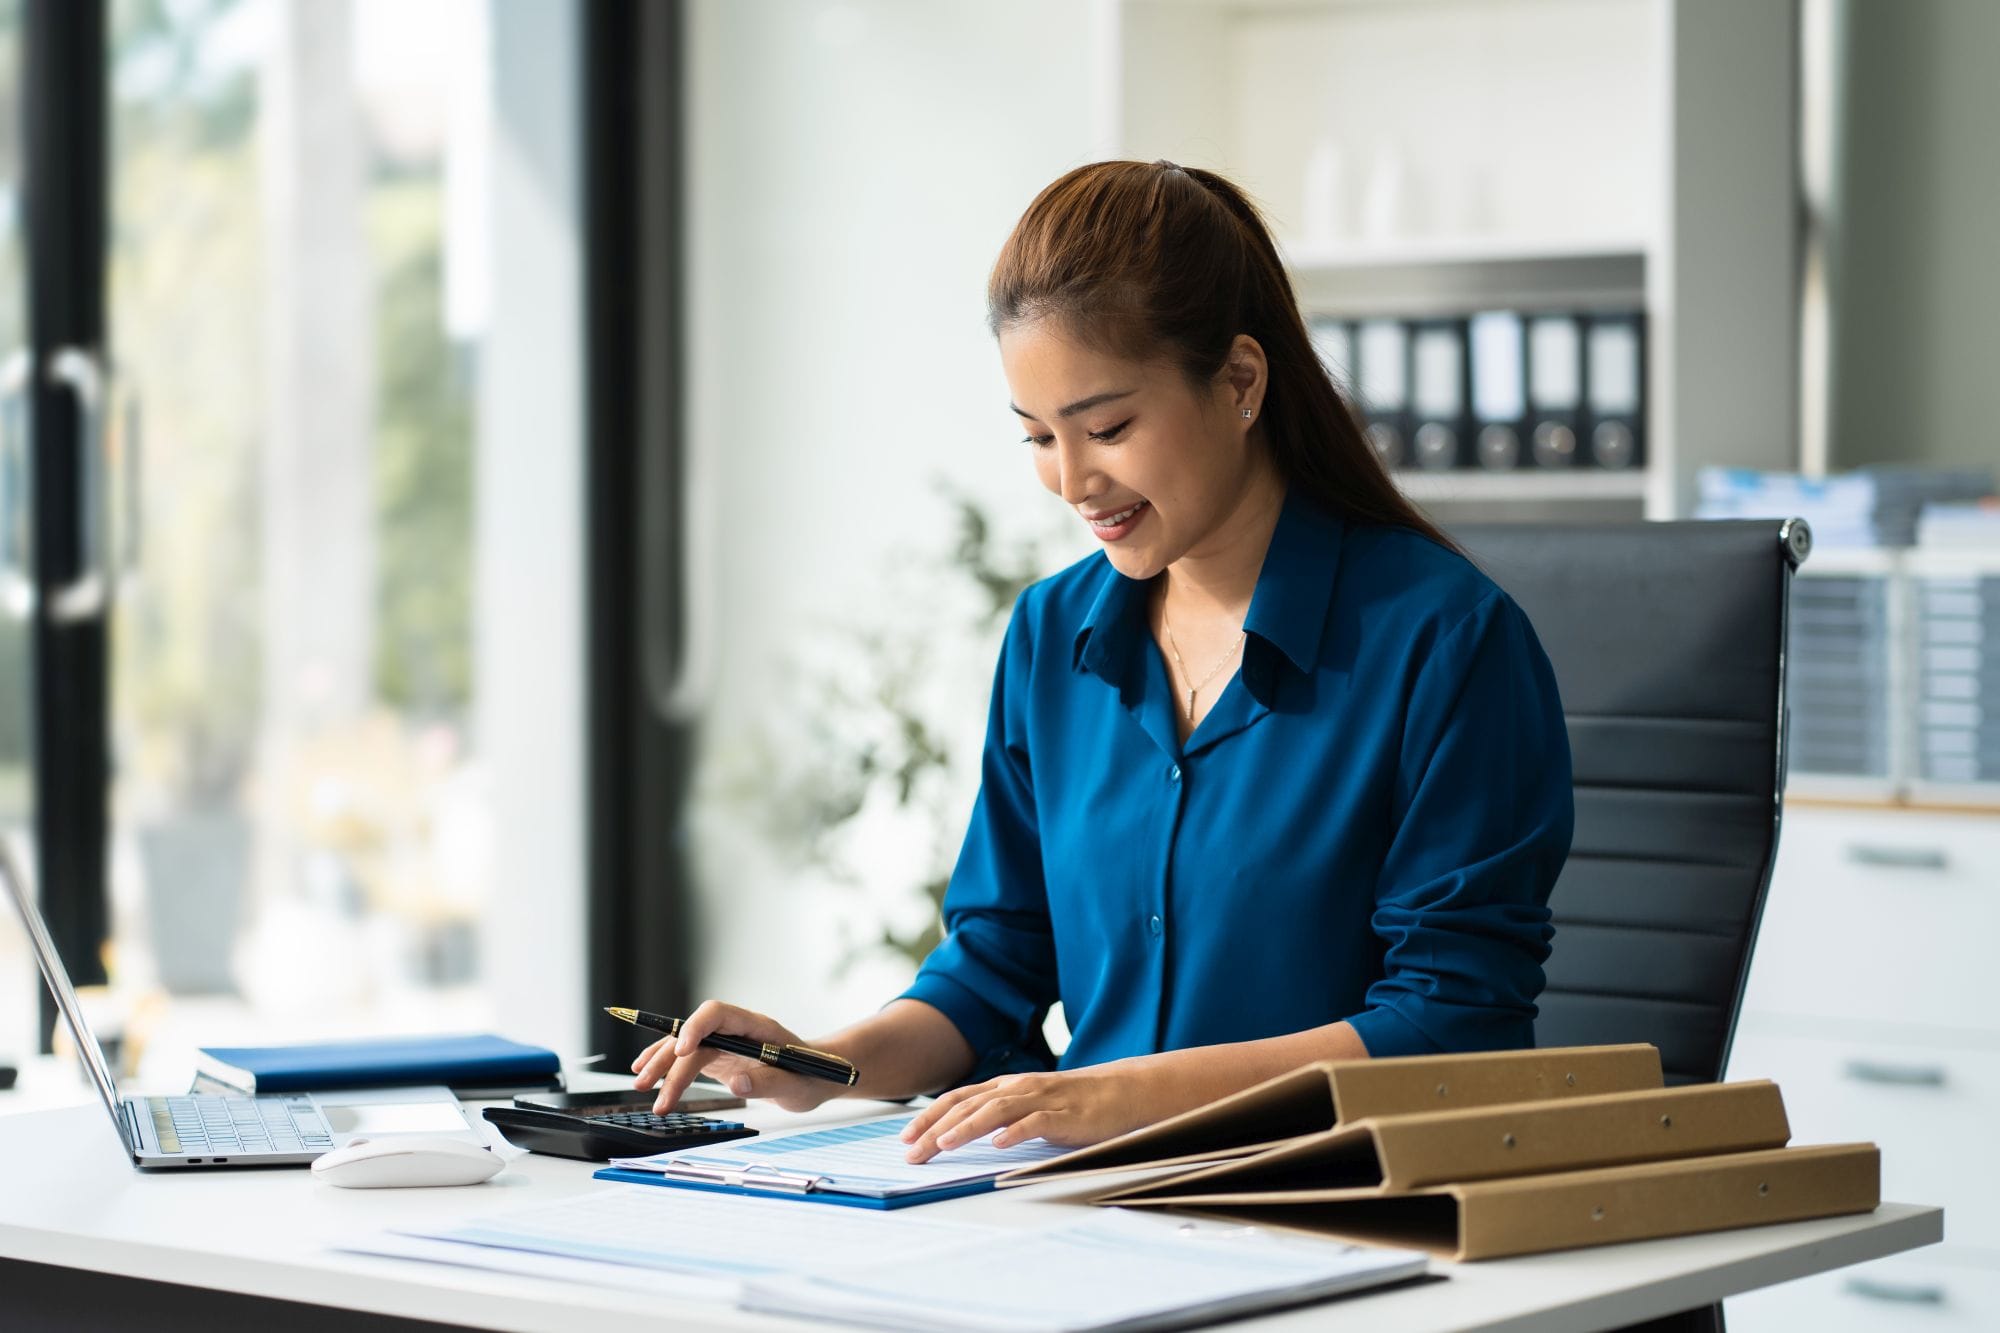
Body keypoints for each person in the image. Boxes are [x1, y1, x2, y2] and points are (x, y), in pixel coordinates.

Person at [635, 160, 1573, 1164]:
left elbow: (1450, 1025)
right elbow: (995, 965)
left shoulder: (1445, 640)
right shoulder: (1051, 635)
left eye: (1107, 427)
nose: (1072, 481)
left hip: (1335, 1203)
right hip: (1090, 1202)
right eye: (1038, 436)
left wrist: (1118, 1092)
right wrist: (821, 1059)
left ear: (1241, 383)